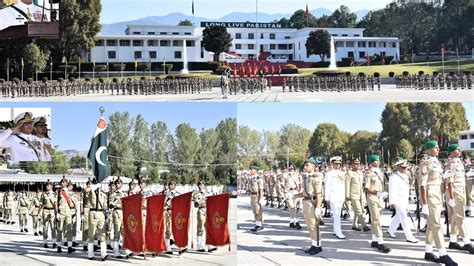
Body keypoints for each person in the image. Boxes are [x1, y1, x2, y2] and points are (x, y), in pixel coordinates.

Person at [419, 141, 457, 265]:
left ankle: (428, 251)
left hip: (437, 196)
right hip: (430, 197)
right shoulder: (426, 163)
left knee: (431, 225)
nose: (438, 148)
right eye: (436, 147)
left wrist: (445, 175)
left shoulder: (436, 163)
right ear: (429, 150)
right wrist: (424, 204)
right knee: (436, 225)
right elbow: (422, 185)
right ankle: (443, 253)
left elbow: (437, 179)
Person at [444, 144, 474, 254]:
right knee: (461, 217)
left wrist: (467, 174)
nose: (460, 150)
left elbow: (459, 176)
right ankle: (467, 242)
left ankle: (453, 241)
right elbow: (449, 181)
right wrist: (451, 197)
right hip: (455, 193)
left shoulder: (458, 162)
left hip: (460, 192)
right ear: (452, 152)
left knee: (454, 218)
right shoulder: (451, 164)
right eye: (457, 149)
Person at [387, 156, 419, 243]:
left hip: (404, 199)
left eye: (405, 167)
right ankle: (409, 236)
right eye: (402, 167)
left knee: (398, 216)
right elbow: (392, 190)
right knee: (404, 217)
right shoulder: (394, 177)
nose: (404, 168)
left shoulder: (405, 175)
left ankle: (390, 230)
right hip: (398, 200)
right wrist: (392, 202)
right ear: (398, 167)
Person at [364, 155, 390, 253]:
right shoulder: (368, 173)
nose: (378, 162)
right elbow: (367, 188)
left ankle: (374, 239)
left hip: (379, 198)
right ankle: (380, 242)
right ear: (372, 162)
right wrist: (378, 193)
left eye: (379, 160)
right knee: (376, 220)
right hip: (372, 198)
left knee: (377, 218)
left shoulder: (379, 172)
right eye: (376, 160)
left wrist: (383, 193)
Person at [297, 157, 323, 255]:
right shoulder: (306, 177)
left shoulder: (315, 178)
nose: (305, 166)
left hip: (312, 204)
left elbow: (319, 194)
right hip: (306, 202)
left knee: (314, 226)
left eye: (307, 165)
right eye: (305, 165)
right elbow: (304, 193)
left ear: (313, 166)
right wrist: (294, 195)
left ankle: (318, 246)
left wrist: (318, 208)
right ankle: (313, 244)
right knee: (309, 225)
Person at [345, 158, 370, 232]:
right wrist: (347, 195)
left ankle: (354, 225)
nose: (357, 165)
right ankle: (364, 225)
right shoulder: (349, 173)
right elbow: (347, 185)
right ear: (352, 164)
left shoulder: (360, 173)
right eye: (355, 164)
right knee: (359, 210)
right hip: (353, 194)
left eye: (358, 164)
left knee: (357, 210)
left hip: (360, 194)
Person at [87, 179, 109, 261]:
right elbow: (86, 190)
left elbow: (105, 205)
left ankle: (104, 254)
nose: (96, 184)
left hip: (101, 213)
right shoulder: (91, 191)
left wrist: (107, 213)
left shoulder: (103, 193)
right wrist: (94, 186)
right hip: (93, 212)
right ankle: (90, 254)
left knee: (103, 234)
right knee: (91, 234)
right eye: (95, 183)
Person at [325, 156, 346, 239]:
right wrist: (327, 197)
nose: (337, 165)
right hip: (333, 196)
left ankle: (335, 230)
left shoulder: (342, 173)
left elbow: (343, 186)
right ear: (332, 164)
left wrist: (344, 196)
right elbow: (327, 186)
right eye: (335, 164)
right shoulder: (329, 173)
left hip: (340, 196)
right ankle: (339, 232)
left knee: (337, 214)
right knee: (337, 215)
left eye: (338, 164)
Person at [193, 180, 217, 252]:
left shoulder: (208, 193)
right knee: (200, 229)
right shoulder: (196, 194)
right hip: (201, 211)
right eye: (199, 185)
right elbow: (196, 205)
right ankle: (199, 246)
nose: (200, 186)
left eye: (201, 185)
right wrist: (202, 199)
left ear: (204, 185)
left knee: (209, 228)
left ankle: (210, 246)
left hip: (208, 211)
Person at [56, 177, 75, 253]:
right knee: (60, 229)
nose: (62, 183)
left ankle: (69, 246)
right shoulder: (59, 192)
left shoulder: (70, 192)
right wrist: (57, 212)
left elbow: (73, 202)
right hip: (61, 212)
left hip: (68, 212)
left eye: (63, 182)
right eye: (62, 182)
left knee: (69, 229)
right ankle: (59, 246)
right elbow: (56, 203)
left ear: (66, 183)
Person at [40, 180, 57, 248]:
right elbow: (41, 204)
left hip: (52, 211)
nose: (46, 186)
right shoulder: (44, 194)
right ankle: (45, 242)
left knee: (53, 227)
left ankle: (54, 242)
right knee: (45, 227)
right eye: (46, 185)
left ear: (51, 186)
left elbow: (56, 204)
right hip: (46, 211)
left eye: (48, 185)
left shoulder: (55, 194)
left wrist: (57, 212)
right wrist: (39, 213)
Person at [249, 165, 264, 232]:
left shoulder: (259, 178)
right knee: (254, 211)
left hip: (257, 196)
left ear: (255, 170)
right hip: (252, 196)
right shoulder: (251, 178)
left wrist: (261, 198)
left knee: (258, 211)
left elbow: (261, 189)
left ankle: (260, 225)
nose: (250, 171)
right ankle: (257, 224)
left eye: (251, 170)